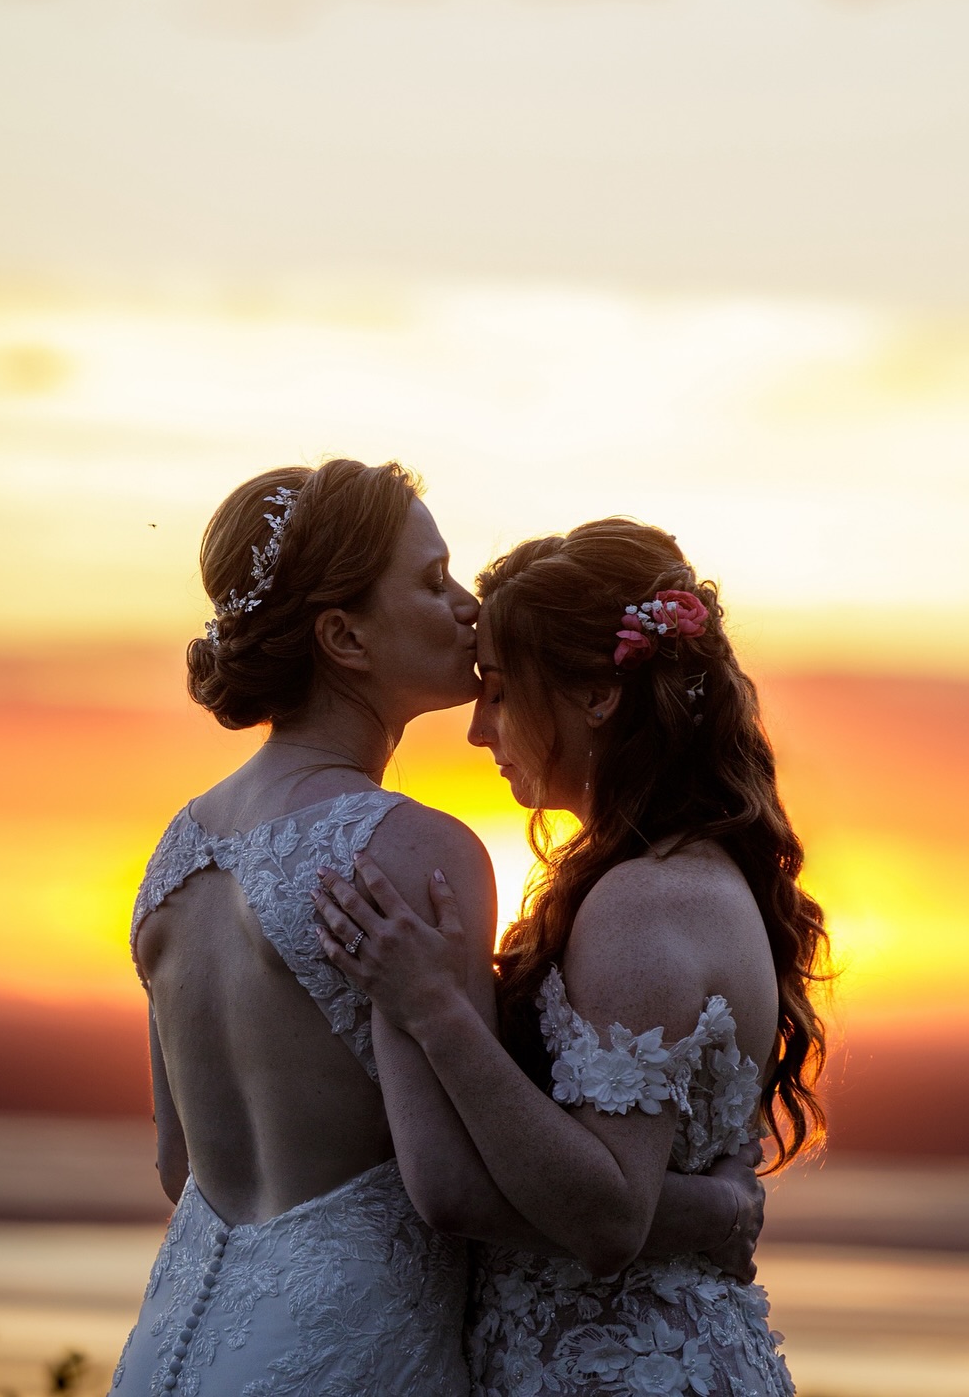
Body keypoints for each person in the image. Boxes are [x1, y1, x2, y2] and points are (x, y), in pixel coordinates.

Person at [113, 464, 764, 1397]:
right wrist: (712, 1210)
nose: (466, 606)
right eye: (431, 580)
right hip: (344, 1350)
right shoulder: (408, 848)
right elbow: (451, 1189)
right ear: (344, 637)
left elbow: (181, 1166)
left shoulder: (177, 855)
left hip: (180, 1342)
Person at [314, 518, 828, 1397]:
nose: (479, 730)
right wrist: (715, 1208)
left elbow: (608, 1213)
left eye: (501, 691)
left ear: (597, 695)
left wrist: (433, 1008)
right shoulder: (674, 875)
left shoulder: (646, 902)